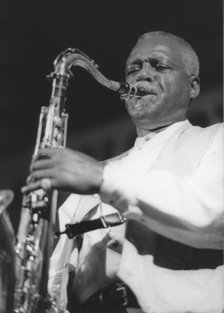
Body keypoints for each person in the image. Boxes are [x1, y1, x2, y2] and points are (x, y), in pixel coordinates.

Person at [22, 31, 224, 313]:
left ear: (193, 87)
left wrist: (101, 178)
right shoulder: (90, 181)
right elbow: (51, 288)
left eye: (159, 65)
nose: (143, 75)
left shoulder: (216, 139)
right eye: (134, 68)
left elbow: (211, 215)